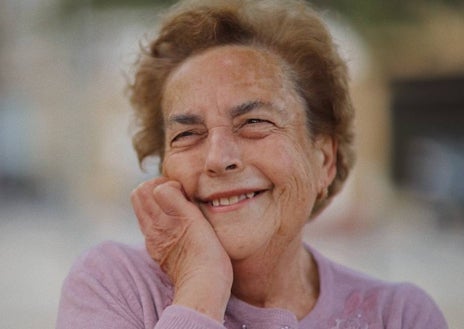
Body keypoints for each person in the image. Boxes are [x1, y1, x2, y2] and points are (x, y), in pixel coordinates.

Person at [56, 0, 448, 328]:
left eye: (254, 123)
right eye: (187, 134)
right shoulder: (113, 286)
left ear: (323, 161)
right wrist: (201, 287)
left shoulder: (399, 317)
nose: (218, 159)